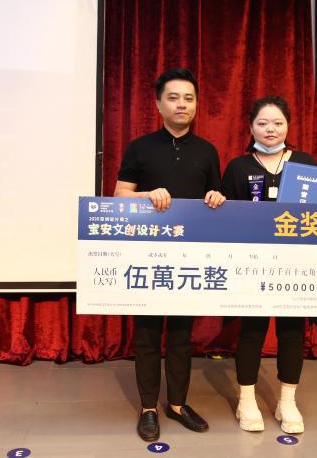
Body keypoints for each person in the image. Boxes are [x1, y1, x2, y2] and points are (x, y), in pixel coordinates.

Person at [114, 68, 226, 442]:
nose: (182, 104)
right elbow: (119, 195)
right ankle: (148, 408)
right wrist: (146, 195)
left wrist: (217, 197)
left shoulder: (207, 151)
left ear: (196, 105)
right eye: (173, 97)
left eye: (189, 98)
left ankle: (177, 404)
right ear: (159, 104)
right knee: (147, 334)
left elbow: (215, 197)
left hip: (189, 258)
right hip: (148, 257)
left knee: (181, 334)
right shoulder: (140, 147)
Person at [221, 95, 317, 434]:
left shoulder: (305, 165)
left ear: (288, 126)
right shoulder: (238, 167)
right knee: (252, 330)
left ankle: (286, 401)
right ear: (251, 128)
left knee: (292, 332)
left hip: (295, 266)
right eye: (262, 123)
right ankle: (246, 400)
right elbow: (226, 215)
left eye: (278, 122)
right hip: (253, 265)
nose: (270, 129)